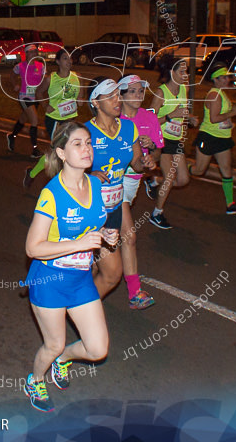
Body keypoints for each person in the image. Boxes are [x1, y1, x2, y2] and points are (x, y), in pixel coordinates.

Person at [22, 121, 118, 412]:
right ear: (62, 153)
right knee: (52, 344)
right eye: (77, 144)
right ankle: (35, 379)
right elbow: (33, 248)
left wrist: (103, 236)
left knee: (97, 348)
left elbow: (92, 225)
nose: (86, 149)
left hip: (79, 280)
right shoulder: (51, 195)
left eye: (88, 143)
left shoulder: (96, 184)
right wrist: (80, 243)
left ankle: (63, 360)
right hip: (49, 281)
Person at [86, 78, 155, 302]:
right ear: (95, 102)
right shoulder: (85, 133)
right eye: (110, 96)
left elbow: (135, 162)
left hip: (114, 209)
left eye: (118, 94)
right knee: (107, 272)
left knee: (102, 271)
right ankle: (81, 311)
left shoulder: (128, 128)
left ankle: (78, 309)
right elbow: (63, 170)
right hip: (89, 210)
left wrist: (145, 163)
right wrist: (88, 176)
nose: (117, 100)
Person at [116, 75, 162, 309]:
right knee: (129, 235)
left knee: (107, 235)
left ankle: (84, 267)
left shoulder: (149, 118)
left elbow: (156, 156)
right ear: (121, 95)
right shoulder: (113, 119)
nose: (138, 95)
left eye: (140, 90)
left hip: (133, 182)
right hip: (114, 182)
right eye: (132, 91)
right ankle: (135, 292)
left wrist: (151, 154)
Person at [23, 50, 83, 189]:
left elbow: (81, 96)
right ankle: (38, 176)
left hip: (71, 119)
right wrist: (45, 105)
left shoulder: (78, 77)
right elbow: (39, 92)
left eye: (70, 59)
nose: (69, 61)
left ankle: (35, 174)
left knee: (64, 152)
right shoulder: (51, 78)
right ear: (57, 62)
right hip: (55, 120)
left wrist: (80, 100)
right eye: (64, 58)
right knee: (58, 152)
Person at [190, 67, 236, 215]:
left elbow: (220, 118)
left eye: (227, 77)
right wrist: (233, 113)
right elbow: (214, 119)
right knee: (198, 170)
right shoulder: (214, 95)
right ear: (215, 79)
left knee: (226, 169)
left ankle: (230, 203)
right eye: (222, 77)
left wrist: (229, 123)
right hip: (208, 137)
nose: (226, 80)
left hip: (222, 138)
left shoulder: (222, 94)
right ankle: (176, 172)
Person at [149, 58, 196, 229]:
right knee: (170, 178)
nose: (186, 75)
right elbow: (149, 121)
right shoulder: (161, 93)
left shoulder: (184, 89)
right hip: (161, 139)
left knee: (183, 179)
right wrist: (170, 115)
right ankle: (156, 213)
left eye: (186, 71)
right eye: (182, 71)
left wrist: (189, 119)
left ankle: (155, 181)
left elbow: (182, 112)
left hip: (176, 139)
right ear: (172, 73)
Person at [7, 44, 47, 158]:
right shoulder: (20, 66)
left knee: (23, 118)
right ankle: (34, 149)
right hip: (24, 97)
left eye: (35, 52)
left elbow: (44, 81)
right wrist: (15, 85)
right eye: (31, 52)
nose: (34, 54)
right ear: (26, 54)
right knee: (34, 120)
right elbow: (12, 76)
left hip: (36, 98)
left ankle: (12, 136)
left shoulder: (41, 66)